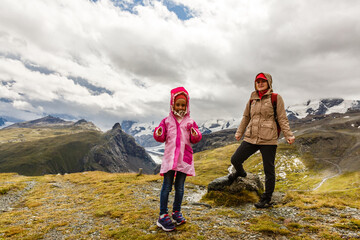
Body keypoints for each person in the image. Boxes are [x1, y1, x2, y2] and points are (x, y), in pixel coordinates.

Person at [229, 72, 295, 208]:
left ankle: (266, 199)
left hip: (268, 139)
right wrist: (239, 132)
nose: (260, 83)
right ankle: (241, 173)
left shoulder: (276, 98)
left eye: (263, 81)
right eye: (257, 81)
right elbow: (246, 117)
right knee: (235, 159)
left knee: (268, 170)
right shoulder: (252, 100)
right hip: (251, 137)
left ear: (269, 83)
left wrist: (288, 135)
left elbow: (282, 118)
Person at [153, 87, 202, 231]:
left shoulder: (190, 121)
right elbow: (160, 137)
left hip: (184, 158)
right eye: (178, 104)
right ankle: (162, 215)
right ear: (172, 104)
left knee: (180, 187)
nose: (180, 107)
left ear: (186, 106)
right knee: (166, 186)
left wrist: (195, 134)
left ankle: (176, 212)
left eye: (183, 105)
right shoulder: (166, 121)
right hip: (170, 158)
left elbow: (196, 138)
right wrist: (158, 132)